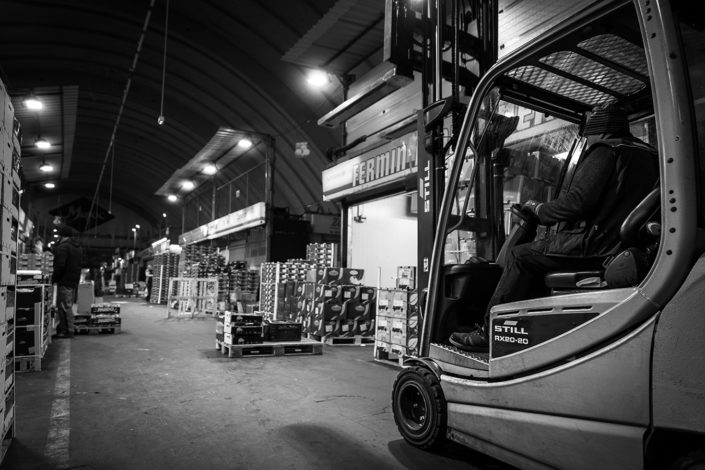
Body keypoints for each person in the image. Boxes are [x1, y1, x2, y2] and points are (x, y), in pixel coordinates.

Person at [449, 103, 660, 351]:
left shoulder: (605, 150)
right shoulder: (650, 154)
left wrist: (539, 210)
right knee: (537, 256)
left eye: (588, 134)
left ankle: (491, 333)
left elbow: (578, 202)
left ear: (600, 130)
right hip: (622, 244)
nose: (587, 139)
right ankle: (526, 331)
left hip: (595, 245)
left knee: (521, 256)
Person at [52, 223, 83, 338]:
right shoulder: (78, 247)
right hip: (74, 281)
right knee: (67, 305)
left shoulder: (63, 247)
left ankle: (68, 331)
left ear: (62, 235)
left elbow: (60, 265)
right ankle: (64, 328)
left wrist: (53, 278)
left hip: (64, 281)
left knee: (64, 306)